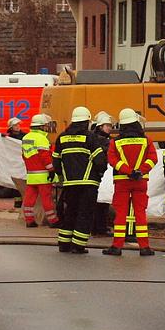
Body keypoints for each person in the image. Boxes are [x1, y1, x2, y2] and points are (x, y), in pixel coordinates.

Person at [102, 108, 157, 257]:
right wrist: (140, 171)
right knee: (140, 213)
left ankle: (117, 246)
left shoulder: (116, 142)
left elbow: (113, 161)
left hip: (122, 182)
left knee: (121, 214)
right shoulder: (146, 140)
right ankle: (144, 247)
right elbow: (153, 159)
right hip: (140, 181)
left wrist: (128, 171)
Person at [52, 106, 106, 254]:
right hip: (88, 183)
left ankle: (64, 243)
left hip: (70, 184)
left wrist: (63, 175)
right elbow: (100, 160)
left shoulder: (61, 137)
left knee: (70, 212)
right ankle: (78, 245)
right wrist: (100, 173)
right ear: (87, 121)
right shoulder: (90, 137)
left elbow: (56, 161)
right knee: (85, 213)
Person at [21, 114, 57, 228]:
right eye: (46, 126)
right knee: (47, 198)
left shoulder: (26, 138)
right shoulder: (42, 138)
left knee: (29, 198)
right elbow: (44, 156)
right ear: (41, 126)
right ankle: (53, 221)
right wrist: (51, 169)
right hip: (43, 174)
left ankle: (29, 220)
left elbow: (24, 155)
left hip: (31, 174)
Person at [90, 111, 113, 236]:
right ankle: (100, 228)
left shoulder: (95, 137)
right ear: (100, 126)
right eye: (107, 126)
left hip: (97, 173)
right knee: (101, 203)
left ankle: (97, 227)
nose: (110, 128)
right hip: (101, 174)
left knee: (99, 202)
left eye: (110, 126)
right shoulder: (102, 140)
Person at [5, 117, 25, 208]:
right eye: (15, 125)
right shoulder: (8, 138)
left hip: (23, 161)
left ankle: (23, 200)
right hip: (13, 162)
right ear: (11, 127)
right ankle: (17, 202)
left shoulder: (25, 136)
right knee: (16, 181)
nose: (18, 127)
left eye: (18, 125)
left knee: (23, 180)